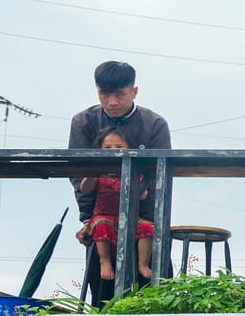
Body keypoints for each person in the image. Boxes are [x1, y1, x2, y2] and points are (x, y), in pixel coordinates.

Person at [68, 61, 170, 290]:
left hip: (145, 221)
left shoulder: (155, 125)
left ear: (134, 91)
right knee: (103, 291)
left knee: (153, 290)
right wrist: (88, 220)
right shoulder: (83, 122)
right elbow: (78, 174)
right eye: (104, 94)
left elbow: (159, 177)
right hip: (101, 221)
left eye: (120, 94)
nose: (112, 102)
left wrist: (150, 222)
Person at [78, 126, 155, 283]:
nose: (113, 150)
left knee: (147, 228)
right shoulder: (100, 172)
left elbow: (143, 196)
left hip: (129, 218)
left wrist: (134, 182)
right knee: (102, 227)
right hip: (103, 217)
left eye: (119, 147)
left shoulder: (134, 172)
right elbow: (85, 189)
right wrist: (90, 175)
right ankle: (104, 261)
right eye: (107, 148)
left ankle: (143, 264)